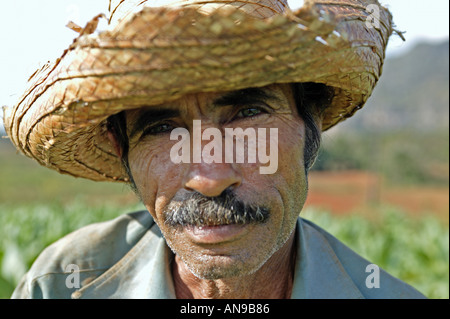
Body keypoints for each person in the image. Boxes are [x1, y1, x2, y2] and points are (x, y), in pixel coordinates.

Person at [3, 0, 425, 299]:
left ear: (310, 126)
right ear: (122, 149)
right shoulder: (59, 284)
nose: (208, 178)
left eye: (247, 113)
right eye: (164, 128)